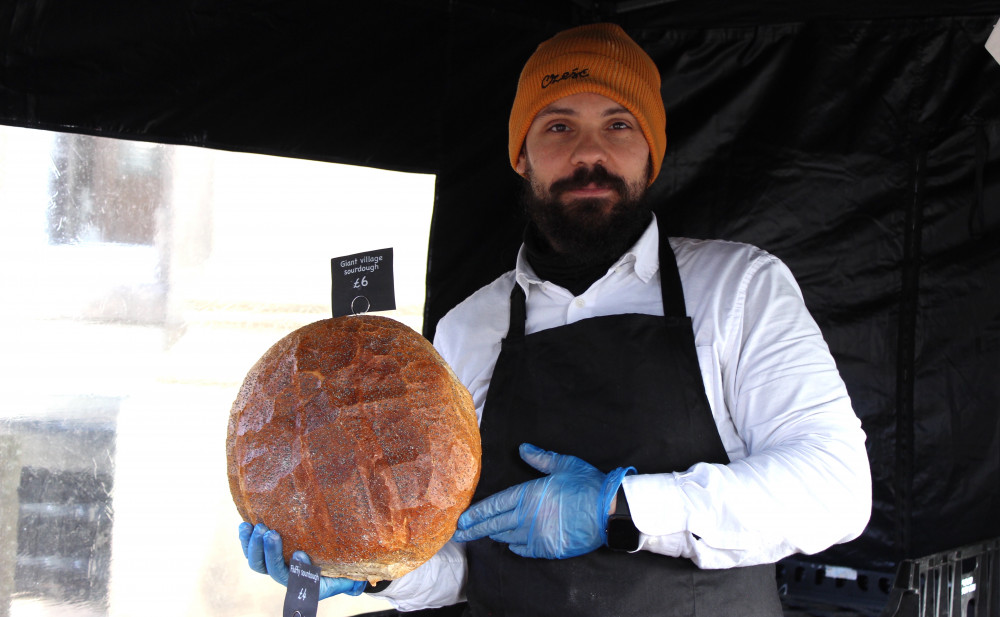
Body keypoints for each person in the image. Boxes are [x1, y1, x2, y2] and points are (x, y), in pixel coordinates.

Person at [240, 22, 872, 615]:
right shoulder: (469, 328)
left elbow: (835, 489)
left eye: (619, 125)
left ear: (651, 155)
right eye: (559, 127)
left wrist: (620, 511)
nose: (589, 154)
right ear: (523, 157)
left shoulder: (738, 288)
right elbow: (467, 559)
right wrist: (379, 567)